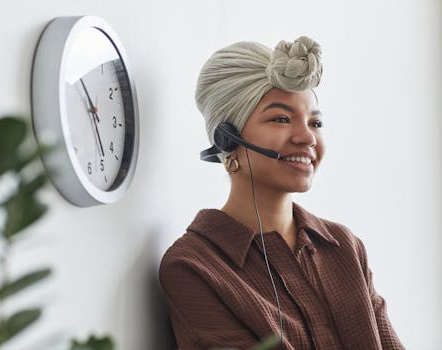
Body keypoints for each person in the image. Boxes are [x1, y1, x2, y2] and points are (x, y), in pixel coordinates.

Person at [158, 37, 404, 350]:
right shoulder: (194, 267)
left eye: (315, 122)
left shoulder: (343, 247)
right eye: (281, 119)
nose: (307, 138)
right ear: (227, 138)